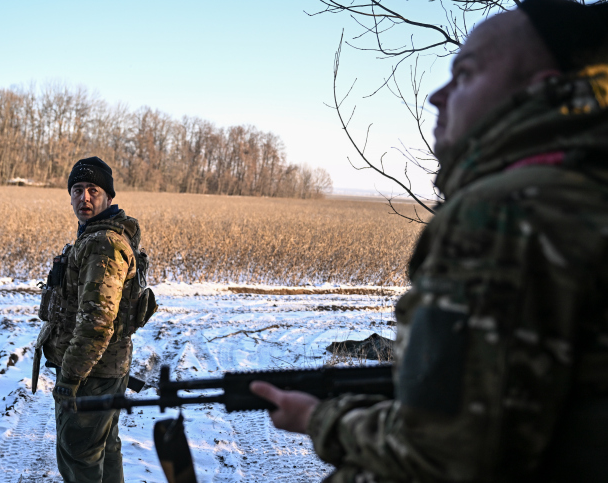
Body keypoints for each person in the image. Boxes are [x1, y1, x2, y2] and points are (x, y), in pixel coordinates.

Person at [251, 0, 608, 481]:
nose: (436, 97)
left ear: (541, 91)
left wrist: (319, 419)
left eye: (464, 75)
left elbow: (441, 458)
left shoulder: (505, 214)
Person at [37, 156, 140, 483]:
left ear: (108, 196)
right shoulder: (94, 236)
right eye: (77, 189)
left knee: (79, 455)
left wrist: (69, 379)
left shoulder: (104, 244)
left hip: (91, 375)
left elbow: (96, 323)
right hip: (102, 371)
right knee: (104, 449)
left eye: (93, 190)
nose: (84, 197)